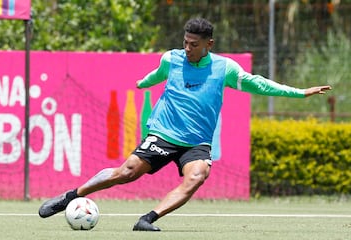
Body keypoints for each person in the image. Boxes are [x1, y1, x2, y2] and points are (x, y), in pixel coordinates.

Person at [38, 18, 332, 231]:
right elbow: (158, 74)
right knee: (126, 173)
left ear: (209, 44)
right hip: (164, 133)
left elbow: (259, 84)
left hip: (197, 142)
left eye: (194, 45)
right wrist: (143, 83)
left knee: (197, 177)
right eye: (186, 43)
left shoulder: (224, 68)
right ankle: (70, 197)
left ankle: (147, 220)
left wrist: (300, 92)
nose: (188, 49)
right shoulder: (173, 59)